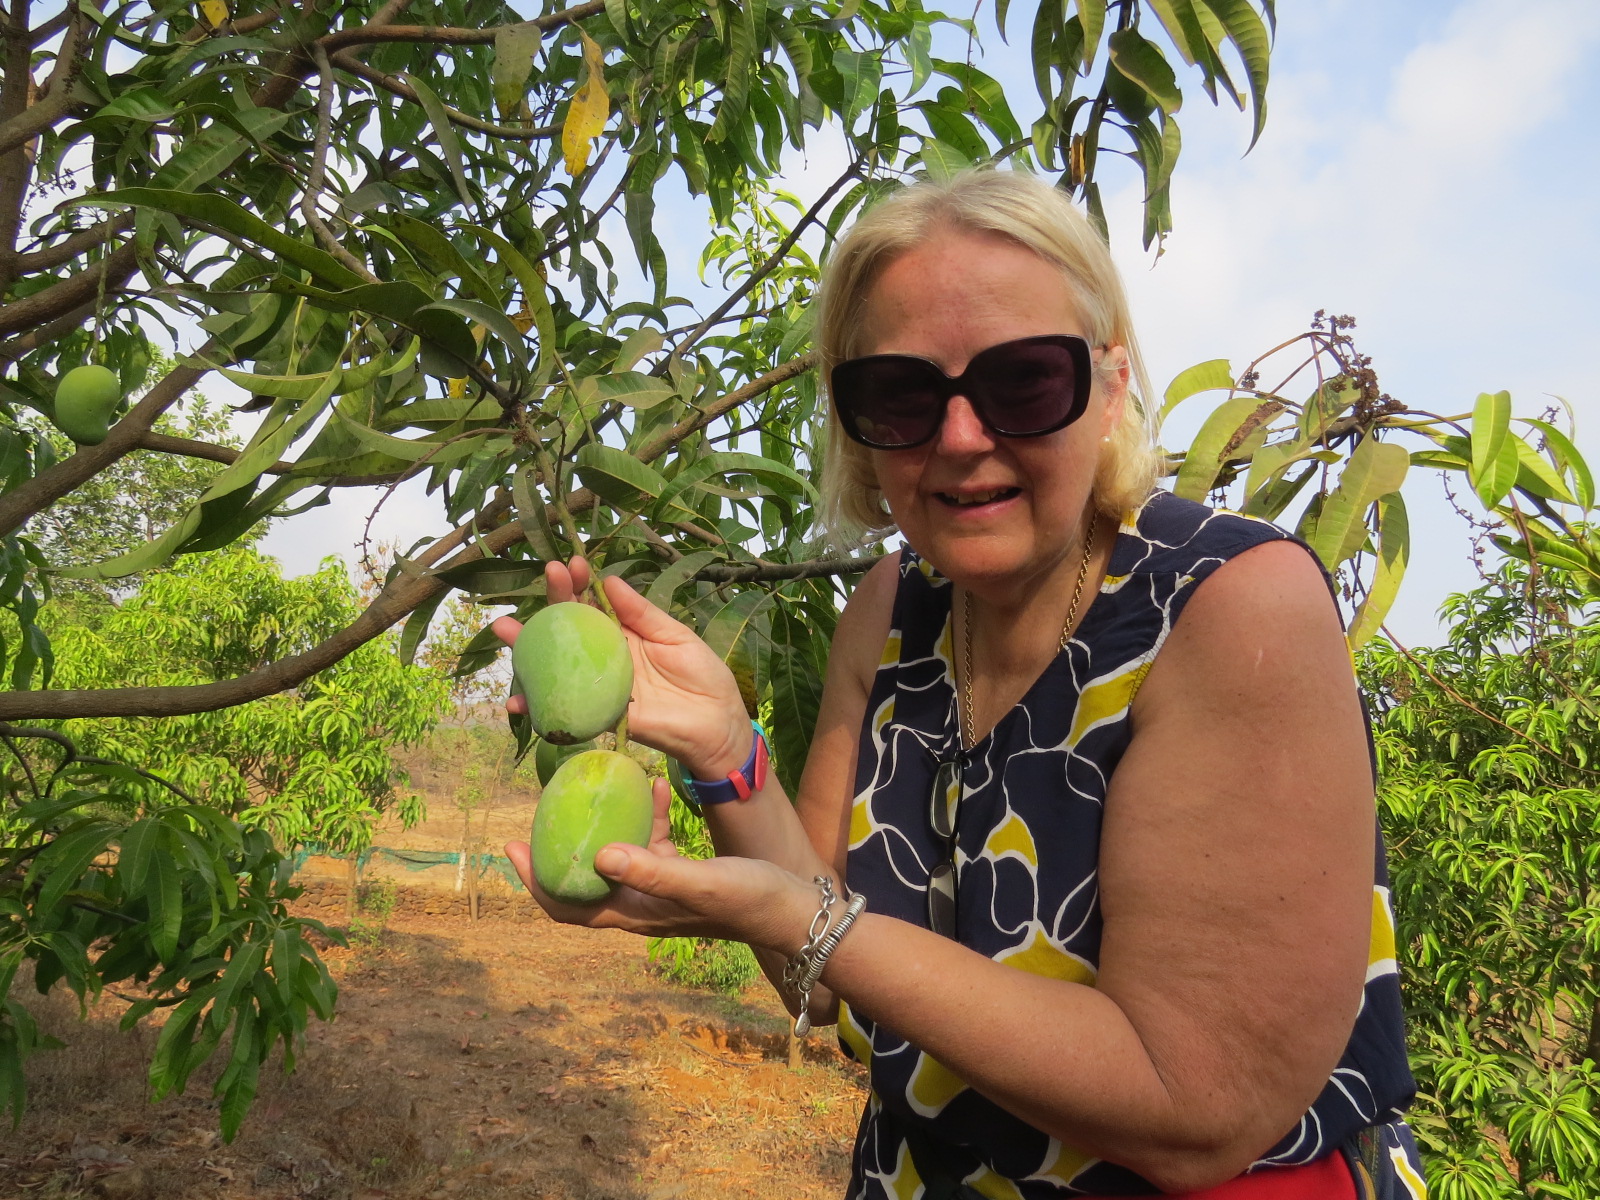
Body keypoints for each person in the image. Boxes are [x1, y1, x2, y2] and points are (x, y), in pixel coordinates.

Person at [498, 170, 1427, 1199]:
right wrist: (726, 756)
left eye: (1023, 381)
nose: (959, 437)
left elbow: (1194, 1107)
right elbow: (823, 978)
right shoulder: (895, 606)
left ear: (1110, 386)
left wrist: (809, 926)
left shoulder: (1230, 605)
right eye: (899, 396)